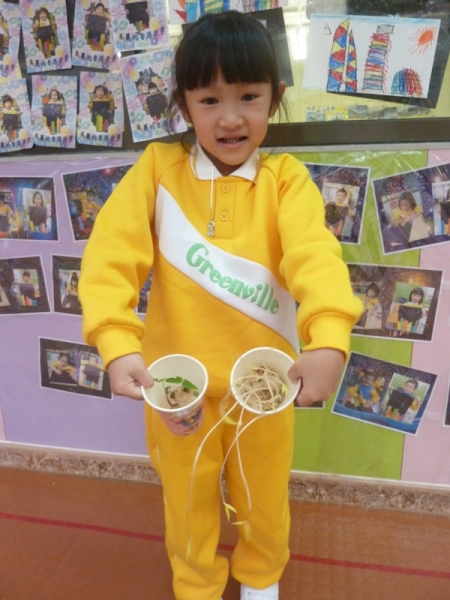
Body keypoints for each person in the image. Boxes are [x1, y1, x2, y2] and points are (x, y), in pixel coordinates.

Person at [79, 12, 363, 600]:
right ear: (184, 106)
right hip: (176, 387)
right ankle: (196, 586)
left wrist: (330, 337)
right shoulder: (157, 171)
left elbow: (315, 258)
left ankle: (260, 579)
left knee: (264, 497)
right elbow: (109, 259)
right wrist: (115, 342)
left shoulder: (286, 180)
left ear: (274, 98)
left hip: (265, 385)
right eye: (209, 100)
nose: (230, 118)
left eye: (248, 97)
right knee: (186, 502)